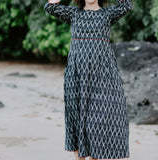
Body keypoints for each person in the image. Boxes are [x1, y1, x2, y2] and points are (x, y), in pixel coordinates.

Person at [44, 0, 133, 160]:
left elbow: (126, 5)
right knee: (76, 118)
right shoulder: (73, 13)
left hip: (102, 76)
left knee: (99, 120)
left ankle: (95, 155)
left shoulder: (107, 14)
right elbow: (50, 7)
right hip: (77, 75)